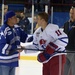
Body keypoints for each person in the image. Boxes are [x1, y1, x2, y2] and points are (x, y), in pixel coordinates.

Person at [0, 11, 28, 75]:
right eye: (14, 17)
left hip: (13, 60)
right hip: (4, 62)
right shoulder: (3, 29)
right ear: (9, 19)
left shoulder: (17, 28)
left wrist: (39, 35)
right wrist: (16, 48)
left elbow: (25, 38)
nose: (16, 18)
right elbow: (2, 46)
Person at [63, 6, 75, 75]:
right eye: (70, 13)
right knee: (65, 72)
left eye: (73, 13)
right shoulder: (66, 24)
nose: (71, 15)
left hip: (74, 51)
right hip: (66, 51)